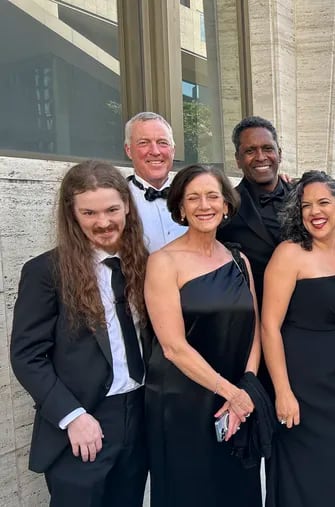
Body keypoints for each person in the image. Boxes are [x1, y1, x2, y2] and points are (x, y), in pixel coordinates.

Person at [11, 161, 150, 507]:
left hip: (139, 414)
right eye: (89, 212)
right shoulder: (46, 272)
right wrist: (72, 416)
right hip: (82, 423)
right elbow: (27, 355)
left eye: (111, 210)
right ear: (72, 214)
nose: (103, 222)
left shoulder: (145, 263)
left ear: (127, 206)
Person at [143, 165, 262, 506]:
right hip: (183, 402)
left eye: (212, 196)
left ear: (226, 205)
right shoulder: (164, 262)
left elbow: (254, 327)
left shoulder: (239, 259)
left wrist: (248, 385)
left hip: (236, 401)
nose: (204, 205)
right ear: (180, 208)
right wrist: (231, 392)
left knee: (237, 489)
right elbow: (173, 347)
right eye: (193, 198)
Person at [261, 170, 335, 507]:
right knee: (303, 482)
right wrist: (282, 391)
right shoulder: (289, 254)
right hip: (302, 387)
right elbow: (269, 326)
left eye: (324, 202)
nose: (315, 211)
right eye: (306, 205)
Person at [217, 115, 292, 305]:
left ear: (279, 154)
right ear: (238, 159)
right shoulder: (225, 206)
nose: (260, 157)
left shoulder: (305, 197)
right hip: (255, 313)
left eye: (268, 148)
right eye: (250, 150)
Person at [123, 112, 186, 252]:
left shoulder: (192, 195)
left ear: (173, 150)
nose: (155, 151)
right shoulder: (119, 200)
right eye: (144, 143)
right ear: (128, 150)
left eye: (162, 143)